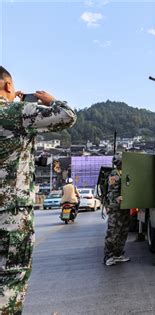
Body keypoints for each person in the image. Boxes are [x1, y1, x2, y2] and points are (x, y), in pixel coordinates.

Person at [0, 66, 76, 313]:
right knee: (11, 277)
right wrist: (50, 100)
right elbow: (67, 115)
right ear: (8, 86)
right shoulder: (16, 112)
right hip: (10, 216)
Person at [103, 154, 131, 266]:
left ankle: (118, 254)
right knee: (113, 232)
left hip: (124, 207)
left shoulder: (125, 173)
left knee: (123, 231)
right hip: (115, 208)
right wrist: (116, 198)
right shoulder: (115, 173)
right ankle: (108, 256)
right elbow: (112, 191)